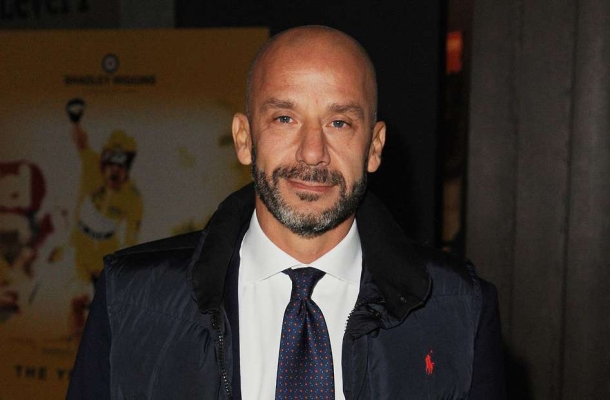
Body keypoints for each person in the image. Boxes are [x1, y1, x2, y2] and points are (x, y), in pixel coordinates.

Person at [67, 25, 505, 399]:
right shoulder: (131, 299)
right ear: (244, 138)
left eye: (339, 123)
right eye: (284, 119)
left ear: (374, 147)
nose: (312, 152)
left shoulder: (459, 309)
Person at [66, 100, 143, 285]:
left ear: (127, 169)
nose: (115, 171)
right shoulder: (92, 166)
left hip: (106, 249)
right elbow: (81, 142)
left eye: (121, 166)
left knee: (104, 295)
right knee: (72, 290)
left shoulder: (133, 198)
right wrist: (75, 121)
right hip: (79, 242)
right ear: (103, 164)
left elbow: (132, 238)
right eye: (110, 165)